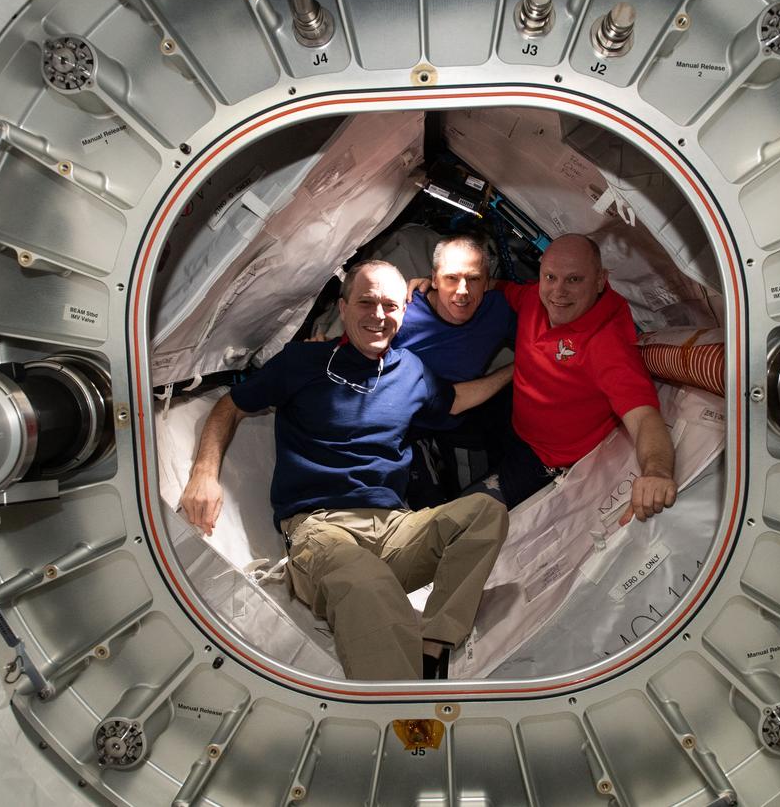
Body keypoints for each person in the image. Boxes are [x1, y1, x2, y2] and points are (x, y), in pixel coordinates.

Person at [178, 260, 511, 681]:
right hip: (319, 530)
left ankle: (434, 645)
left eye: (390, 305)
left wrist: (516, 369)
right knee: (365, 580)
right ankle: (404, 720)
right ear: (344, 306)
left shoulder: (411, 370)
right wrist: (204, 474)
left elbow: (456, 399)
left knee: (485, 511)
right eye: (366, 302)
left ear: (403, 314)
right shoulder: (303, 361)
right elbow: (231, 405)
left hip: (394, 529)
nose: (378, 315)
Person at [413, 234, 677, 519]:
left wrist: (657, 471)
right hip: (514, 416)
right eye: (550, 277)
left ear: (600, 280)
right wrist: (437, 286)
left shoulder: (607, 343)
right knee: (450, 425)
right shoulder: (534, 297)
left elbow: (644, 417)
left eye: (574, 280)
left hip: (541, 458)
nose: (558, 292)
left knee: (458, 520)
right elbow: (495, 286)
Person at [392, 236, 517, 505]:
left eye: (473, 279)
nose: (463, 291)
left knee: (478, 498)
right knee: (428, 506)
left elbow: (545, 298)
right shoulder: (403, 313)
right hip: (408, 426)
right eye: (451, 278)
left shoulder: (496, 310)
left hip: (460, 418)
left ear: (487, 282)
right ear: (434, 279)